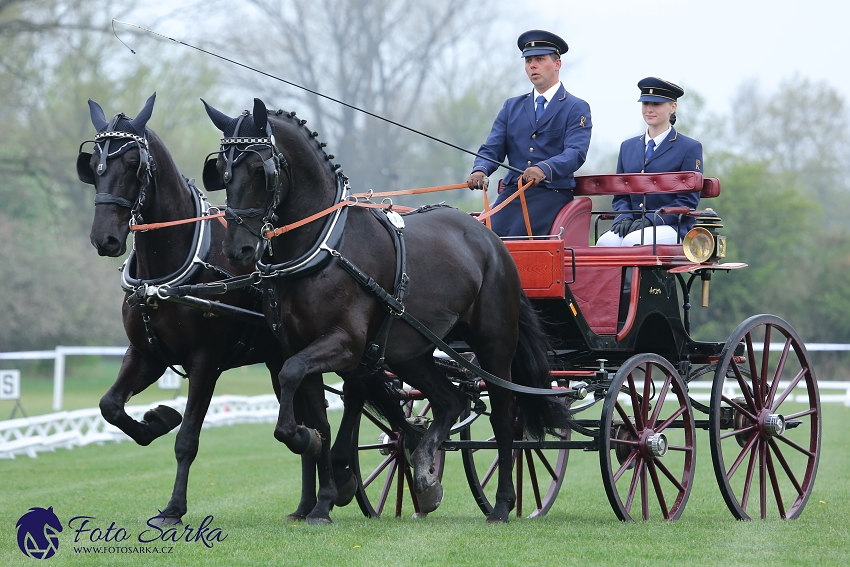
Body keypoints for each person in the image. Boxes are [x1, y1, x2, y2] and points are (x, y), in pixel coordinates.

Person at [466, 30, 592, 237]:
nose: (532, 65)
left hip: (551, 195)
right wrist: (480, 169)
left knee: (516, 238)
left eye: (540, 59)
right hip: (511, 192)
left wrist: (543, 169)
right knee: (480, 238)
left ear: (557, 64)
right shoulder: (511, 106)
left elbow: (576, 152)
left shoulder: (576, 107)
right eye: (528, 60)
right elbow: (493, 147)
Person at [596, 77, 703, 247]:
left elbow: (687, 200)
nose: (649, 109)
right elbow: (620, 194)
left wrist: (652, 219)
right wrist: (624, 217)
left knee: (633, 241)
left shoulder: (689, 148)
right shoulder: (627, 147)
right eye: (645, 103)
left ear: (673, 107)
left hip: (672, 225)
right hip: (634, 223)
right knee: (605, 242)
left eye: (656, 104)